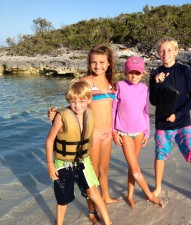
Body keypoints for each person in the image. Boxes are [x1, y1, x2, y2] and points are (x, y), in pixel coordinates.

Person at [48, 45, 119, 222]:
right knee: (90, 174)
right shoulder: (86, 81)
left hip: (107, 133)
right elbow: (74, 103)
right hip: (92, 135)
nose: (98, 66)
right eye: (93, 62)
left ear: (109, 63)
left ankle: (107, 197)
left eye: (102, 62)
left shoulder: (112, 83)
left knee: (104, 170)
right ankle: (92, 210)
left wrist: (118, 130)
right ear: (89, 63)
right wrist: (55, 114)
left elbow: (115, 109)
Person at [149, 37, 191, 212]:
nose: (165, 54)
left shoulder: (184, 71)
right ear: (158, 53)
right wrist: (157, 83)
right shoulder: (155, 73)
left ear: (176, 51)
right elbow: (154, 101)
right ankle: (157, 187)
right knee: (160, 156)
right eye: (162, 51)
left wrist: (178, 114)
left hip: (183, 123)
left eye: (169, 50)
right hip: (162, 124)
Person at [45, 79, 112, 225]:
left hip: (83, 160)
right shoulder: (61, 117)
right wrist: (50, 164)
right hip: (63, 163)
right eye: (73, 101)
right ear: (68, 100)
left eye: (82, 101)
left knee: (93, 191)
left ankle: (108, 222)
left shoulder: (89, 114)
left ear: (89, 99)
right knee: (63, 199)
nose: (78, 105)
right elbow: (50, 140)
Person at [112, 56, 164, 208]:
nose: (134, 76)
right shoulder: (119, 86)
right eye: (130, 72)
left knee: (132, 166)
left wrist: (147, 132)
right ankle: (149, 194)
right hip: (124, 132)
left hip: (140, 131)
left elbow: (146, 112)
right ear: (125, 72)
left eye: (137, 73)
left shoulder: (145, 89)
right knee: (135, 169)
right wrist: (114, 131)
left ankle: (129, 194)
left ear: (143, 74)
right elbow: (113, 109)